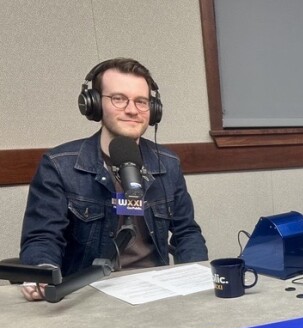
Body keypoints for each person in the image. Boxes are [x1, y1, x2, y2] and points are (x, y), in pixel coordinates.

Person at [19, 58, 208, 301]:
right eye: (118, 99)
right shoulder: (59, 165)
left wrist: (196, 280)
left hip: (156, 291)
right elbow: (42, 237)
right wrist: (43, 270)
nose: (132, 110)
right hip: (87, 294)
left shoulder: (167, 164)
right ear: (94, 104)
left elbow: (187, 232)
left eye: (141, 101)